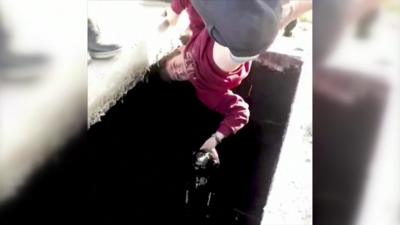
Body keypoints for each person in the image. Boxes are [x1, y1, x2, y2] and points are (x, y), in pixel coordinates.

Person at [158, 0, 281, 164]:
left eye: (174, 66)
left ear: (179, 51)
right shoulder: (205, 91)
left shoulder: (196, 33)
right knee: (252, 32)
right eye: (179, 76)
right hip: (236, 48)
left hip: (238, 26)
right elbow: (241, 112)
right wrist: (216, 138)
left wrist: (174, 13)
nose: (180, 71)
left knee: (275, 15)